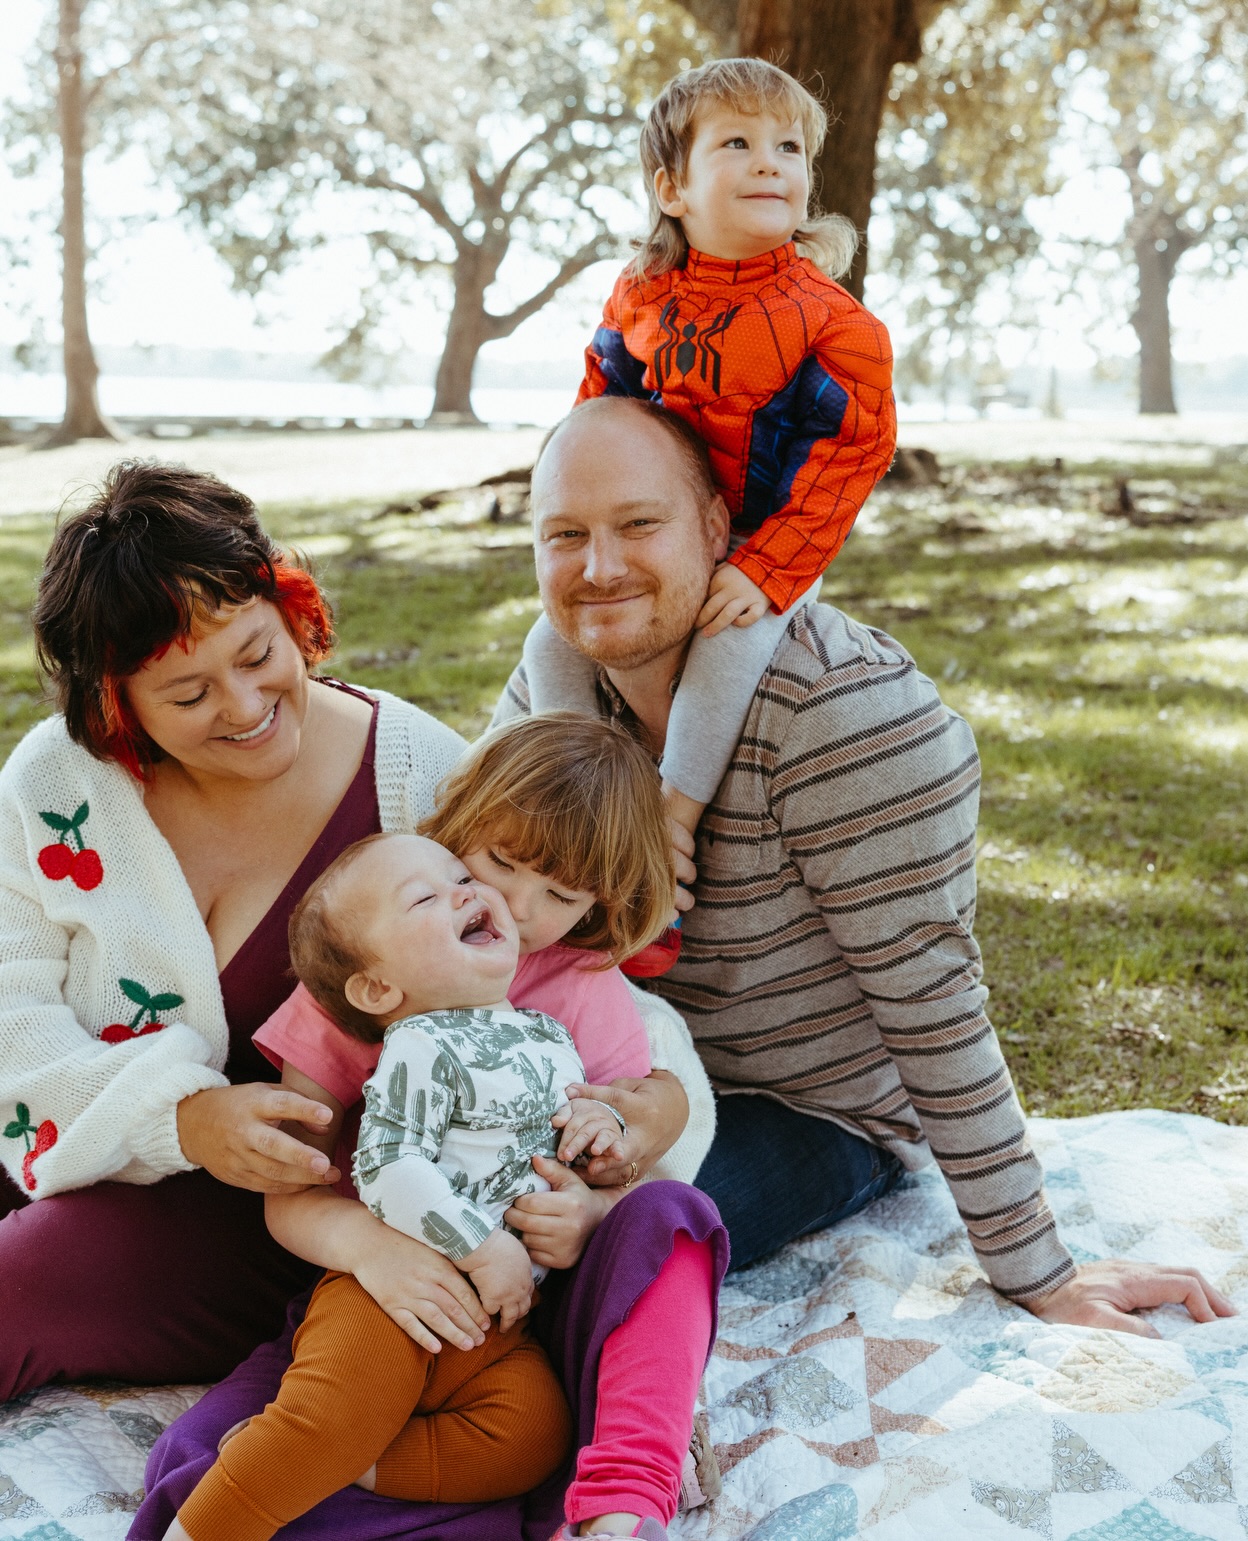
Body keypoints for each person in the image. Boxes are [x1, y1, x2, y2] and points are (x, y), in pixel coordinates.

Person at [497, 394, 1238, 1337]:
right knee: (437, 1207)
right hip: (626, 1068)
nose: (599, 567)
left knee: (580, 1260)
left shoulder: (842, 711)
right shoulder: (556, 687)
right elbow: (469, 889)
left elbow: (930, 999)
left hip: (811, 1106)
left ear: (719, 528)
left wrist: (1041, 1273)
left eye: (638, 524)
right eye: (565, 534)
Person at [135, 714, 725, 1541]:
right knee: (206, 1457)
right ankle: (321, 1486)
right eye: (500, 863)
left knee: (673, 1228)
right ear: (462, 828)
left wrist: (591, 1205)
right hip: (390, 1283)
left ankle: (620, 1497)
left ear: (600, 904)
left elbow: (620, 1158)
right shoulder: (382, 964)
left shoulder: (579, 991)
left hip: (524, 1318)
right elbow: (299, 1188)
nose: (514, 903)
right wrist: (377, 1251)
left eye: (560, 895)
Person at [0, 461, 464, 1398]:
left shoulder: (424, 781)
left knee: (20, 1284)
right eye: (188, 695)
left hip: (287, 1212)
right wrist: (179, 1117)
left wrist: (651, 1103)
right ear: (116, 705)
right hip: (59, 1129)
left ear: (291, 609)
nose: (247, 707)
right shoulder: (57, 782)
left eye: (258, 655)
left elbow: (555, 978)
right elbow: (11, 1006)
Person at [165, 835, 618, 1541]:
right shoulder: (422, 1042)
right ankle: (207, 1524)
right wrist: (480, 1245)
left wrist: (600, 1126)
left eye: (461, 877)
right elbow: (388, 1165)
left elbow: (571, 1140)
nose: (466, 892)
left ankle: (356, 1465)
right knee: (333, 1413)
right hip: (390, 1298)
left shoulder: (550, 1035)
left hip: (494, 1333)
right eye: (427, 897)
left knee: (536, 1433)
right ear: (379, 990)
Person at [523, 57, 896, 868]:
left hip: (764, 546)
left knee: (727, 647)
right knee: (551, 642)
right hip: (658, 537)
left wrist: (766, 570)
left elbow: (852, 455)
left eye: (789, 148)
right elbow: (598, 410)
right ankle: (571, 791)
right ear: (672, 188)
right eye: (738, 143)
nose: (770, 164)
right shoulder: (639, 295)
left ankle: (670, 821)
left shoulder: (836, 325)